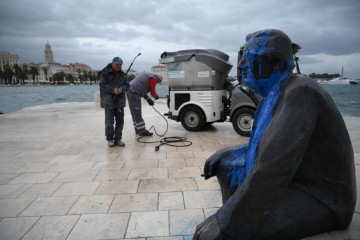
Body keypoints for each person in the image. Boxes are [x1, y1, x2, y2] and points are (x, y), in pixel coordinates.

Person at [193, 29, 356, 240]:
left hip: (322, 197)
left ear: (278, 64)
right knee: (225, 164)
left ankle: (233, 222)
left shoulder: (301, 93)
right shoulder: (273, 94)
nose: (242, 66)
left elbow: (272, 167)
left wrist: (223, 223)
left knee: (247, 229)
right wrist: (230, 152)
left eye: (250, 59)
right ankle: (235, 212)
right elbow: (267, 145)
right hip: (298, 176)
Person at [99, 57, 130, 147]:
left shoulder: (123, 75)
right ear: (112, 63)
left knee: (120, 121)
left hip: (120, 102)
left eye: (120, 65)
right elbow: (102, 85)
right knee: (109, 122)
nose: (118, 66)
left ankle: (118, 138)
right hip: (108, 102)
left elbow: (127, 86)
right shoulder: (104, 73)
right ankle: (109, 139)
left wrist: (121, 89)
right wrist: (113, 90)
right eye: (116, 64)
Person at [127, 72, 162, 136]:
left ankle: (137, 129)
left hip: (130, 90)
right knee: (137, 111)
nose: (157, 83)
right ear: (158, 79)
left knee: (134, 111)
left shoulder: (148, 76)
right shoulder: (153, 79)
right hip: (134, 92)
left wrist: (148, 100)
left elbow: (142, 90)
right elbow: (153, 93)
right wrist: (156, 96)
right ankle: (142, 130)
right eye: (158, 82)